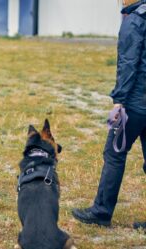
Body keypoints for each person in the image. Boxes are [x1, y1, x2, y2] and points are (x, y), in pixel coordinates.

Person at [72, 0, 146, 229]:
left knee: (114, 153)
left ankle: (101, 212)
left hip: (135, 102)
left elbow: (128, 64)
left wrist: (119, 102)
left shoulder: (134, 20)